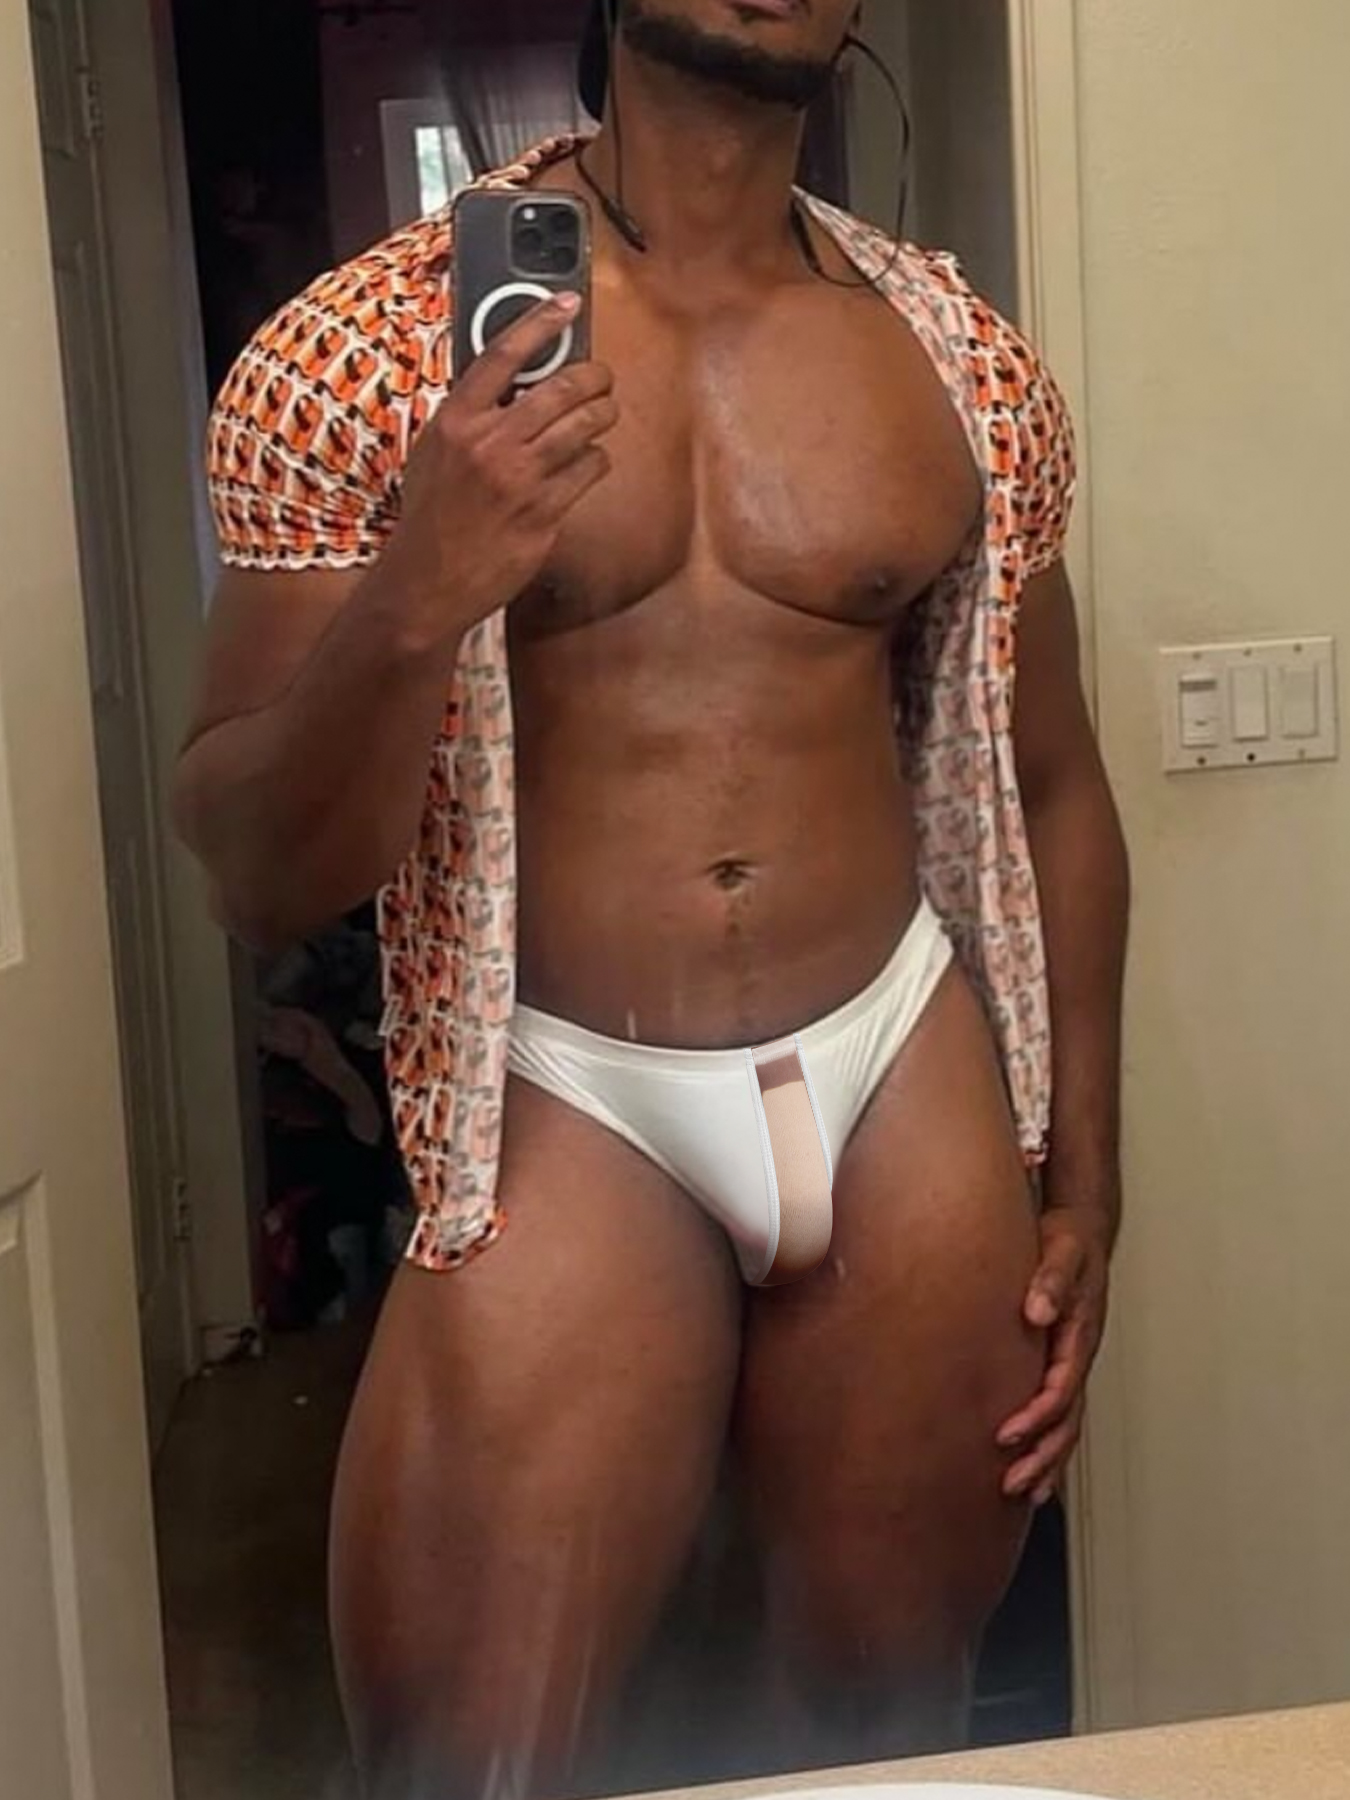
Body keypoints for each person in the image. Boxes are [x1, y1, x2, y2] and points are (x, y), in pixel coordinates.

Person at [175, 0, 1130, 1792]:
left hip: (898, 1067)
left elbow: (1054, 784)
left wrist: (1086, 1172)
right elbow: (255, 871)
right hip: (569, 1095)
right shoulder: (362, 355)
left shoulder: (958, 362)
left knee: (881, 1732)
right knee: (472, 1760)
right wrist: (420, 588)